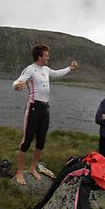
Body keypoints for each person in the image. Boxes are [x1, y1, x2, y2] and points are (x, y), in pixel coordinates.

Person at [13, 43, 78, 185]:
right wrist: (16, 86)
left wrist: (70, 68)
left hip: (44, 109)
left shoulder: (46, 69)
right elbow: (18, 81)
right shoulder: (30, 69)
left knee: (41, 141)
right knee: (26, 141)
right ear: (39, 56)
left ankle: (32, 168)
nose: (48, 57)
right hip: (33, 108)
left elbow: (57, 73)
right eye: (46, 55)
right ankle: (19, 172)